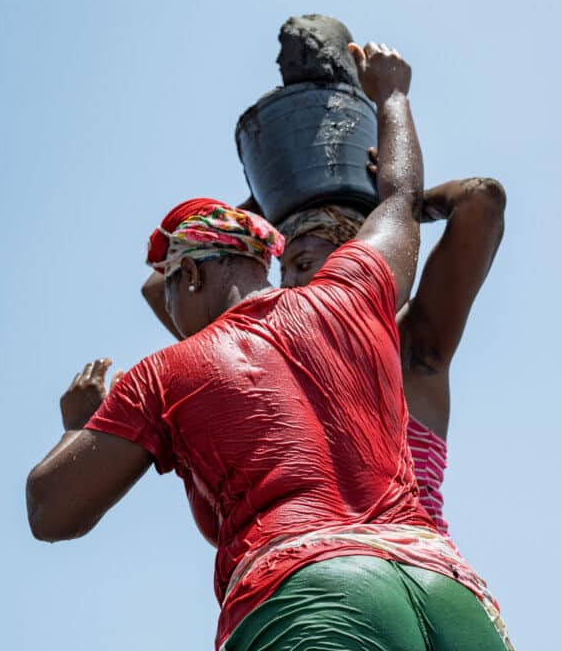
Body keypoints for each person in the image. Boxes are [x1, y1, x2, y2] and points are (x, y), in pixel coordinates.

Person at [27, 43, 512, 651]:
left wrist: (78, 428)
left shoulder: (165, 373)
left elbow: (50, 511)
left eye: (175, 286)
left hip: (311, 593)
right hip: (442, 590)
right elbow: (398, 200)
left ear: (194, 277)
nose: (168, 307)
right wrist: (390, 98)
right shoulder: (353, 298)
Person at [278, 172, 506, 538]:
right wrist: (270, 198)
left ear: (351, 261)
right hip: (329, 570)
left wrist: (403, 203)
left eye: (303, 265)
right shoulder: (276, 362)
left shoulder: (408, 345)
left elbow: (482, 201)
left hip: (414, 567)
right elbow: (160, 289)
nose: (287, 284)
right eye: (281, 272)